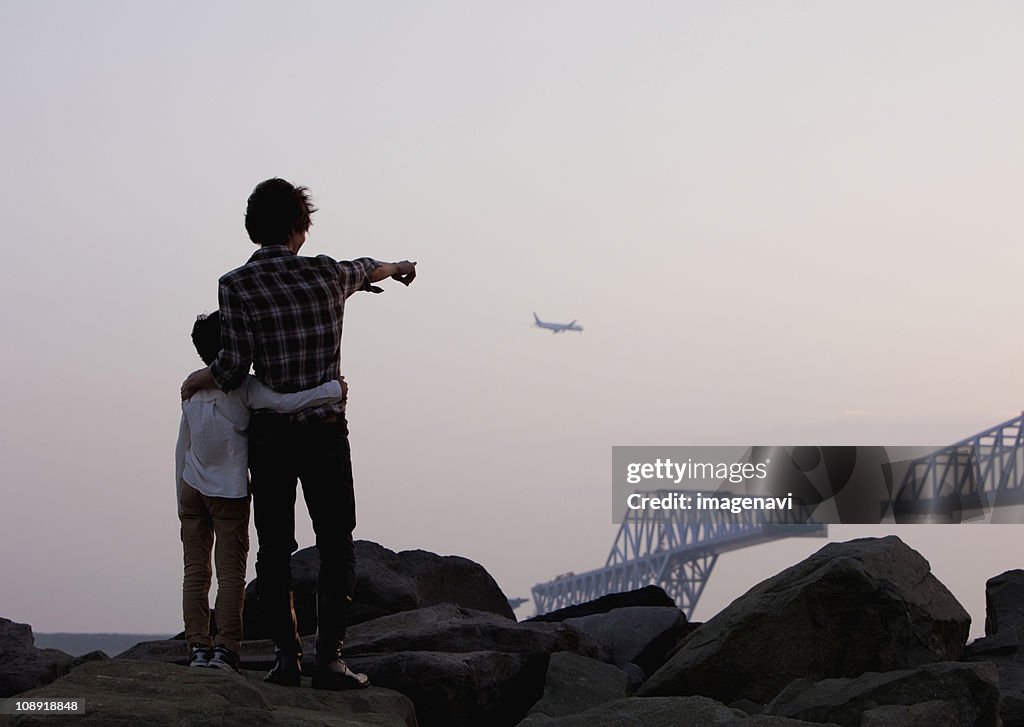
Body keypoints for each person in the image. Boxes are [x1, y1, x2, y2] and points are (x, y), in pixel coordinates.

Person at [180, 178, 416, 690]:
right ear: (299, 226)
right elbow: (366, 266)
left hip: (271, 439)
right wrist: (400, 270)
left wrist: (201, 377)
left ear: (252, 228)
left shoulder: (235, 284)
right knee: (336, 543)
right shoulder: (326, 274)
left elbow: (233, 365)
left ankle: (287, 660)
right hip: (324, 432)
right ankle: (330, 659)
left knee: (274, 548)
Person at [176, 311, 346, 673]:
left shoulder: (191, 389)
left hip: (190, 488)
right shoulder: (243, 387)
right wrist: (333, 389)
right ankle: (224, 650)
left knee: (195, 572)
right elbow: (287, 402)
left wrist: (181, 490)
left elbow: (183, 444)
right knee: (231, 574)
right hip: (228, 494)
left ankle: (197, 649)